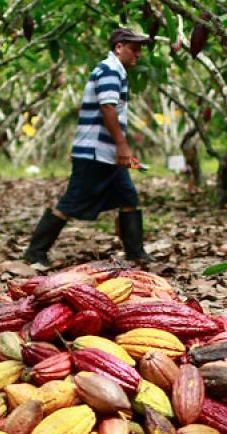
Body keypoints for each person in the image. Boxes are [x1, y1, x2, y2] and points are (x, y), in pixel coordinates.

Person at [23, 28, 155, 266]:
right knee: (71, 202)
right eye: (134, 49)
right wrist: (122, 145)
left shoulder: (115, 71)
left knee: (128, 198)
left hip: (106, 153)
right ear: (119, 48)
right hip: (95, 153)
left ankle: (136, 253)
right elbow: (107, 107)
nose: (138, 54)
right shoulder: (109, 70)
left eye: (140, 49)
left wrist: (119, 149)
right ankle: (35, 251)